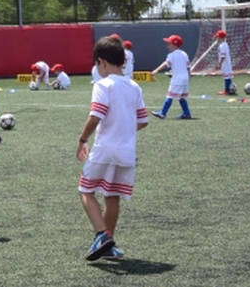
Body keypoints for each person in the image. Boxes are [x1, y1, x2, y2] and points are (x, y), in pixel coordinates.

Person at [76, 35, 149, 261]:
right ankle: (109, 245)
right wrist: (125, 129)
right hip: (127, 152)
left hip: (105, 148)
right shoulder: (134, 86)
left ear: (102, 62)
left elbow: (96, 115)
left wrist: (82, 139)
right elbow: (144, 120)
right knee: (112, 196)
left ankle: (101, 235)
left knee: (85, 191)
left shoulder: (103, 84)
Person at [150, 34, 192, 119]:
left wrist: (156, 70)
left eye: (169, 43)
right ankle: (187, 113)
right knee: (181, 97)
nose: (167, 45)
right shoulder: (184, 54)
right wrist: (189, 77)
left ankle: (162, 113)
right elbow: (188, 67)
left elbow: (166, 64)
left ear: (174, 44)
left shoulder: (171, 55)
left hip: (177, 79)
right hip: (185, 79)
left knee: (170, 96)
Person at [215, 30, 235, 95]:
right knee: (228, 77)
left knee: (226, 77)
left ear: (221, 38)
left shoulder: (222, 45)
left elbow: (223, 56)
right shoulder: (225, 44)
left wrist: (219, 64)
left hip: (225, 64)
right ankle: (230, 89)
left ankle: (227, 90)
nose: (217, 38)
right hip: (227, 63)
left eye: (218, 37)